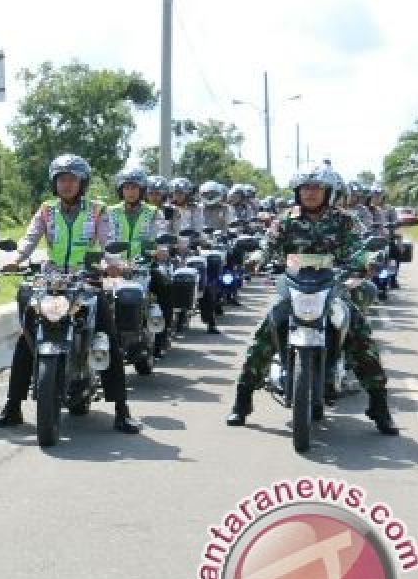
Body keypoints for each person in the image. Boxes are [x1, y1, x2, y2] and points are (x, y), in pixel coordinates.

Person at [225, 166, 398, 434]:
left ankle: (379, 407)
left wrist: (368, 261)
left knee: (360, 334)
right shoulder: (286, 220)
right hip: (292, 284)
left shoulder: (344, 220)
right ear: (297, 192)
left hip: (332, 285)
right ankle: (242, 400)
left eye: (316, 188)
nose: (310, 193)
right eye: (305, 188)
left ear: (328, 192)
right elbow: (267, 245)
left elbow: (359, 248)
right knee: (266, 332)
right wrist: (256, 259)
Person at [0, 154, 141, 434]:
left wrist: (115, 266)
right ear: (54, 183)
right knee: (26, 337)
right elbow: (29, 238)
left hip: (86, 281)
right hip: (50, 281)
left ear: (82, 182)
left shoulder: (98, 210)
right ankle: (12, 407)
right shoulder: (46, 210)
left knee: (107, 337)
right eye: (61, 179)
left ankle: (122, 410)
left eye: (72, 179)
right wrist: (17, 258)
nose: (66, 184)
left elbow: (109, 243)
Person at [108, 167, 171, 354]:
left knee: (164, 283)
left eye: (134, 188)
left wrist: (161, 250)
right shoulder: (110, 212)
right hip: (115, 267)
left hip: (144, 265)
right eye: (126, 188)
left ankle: (162, 334)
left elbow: (160, 233)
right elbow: (101, 237)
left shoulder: (153, 212)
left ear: (142, 190)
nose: (130, 192)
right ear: (120, 190)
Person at [170, 177, 219, 334]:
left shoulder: (196, 209)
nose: (178, 195)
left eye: (181, 193)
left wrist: (201, 240)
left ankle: (210, 320)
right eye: (176, 192)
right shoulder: (167, 208)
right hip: (172, 249)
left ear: (188, 194)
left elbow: (199, 227)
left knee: (204, 277)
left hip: (191, 248)